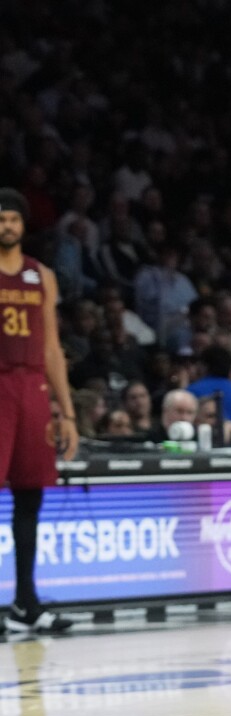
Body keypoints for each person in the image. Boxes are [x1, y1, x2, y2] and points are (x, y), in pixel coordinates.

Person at [0, 188, 76, 633]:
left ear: (24, 226)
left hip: (32, 387)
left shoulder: (41, 276)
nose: (7, 225)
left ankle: (25, 602)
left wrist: (66, 412)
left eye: (14, 219)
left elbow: (51, 347)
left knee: (30, 495)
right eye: (1, 218)